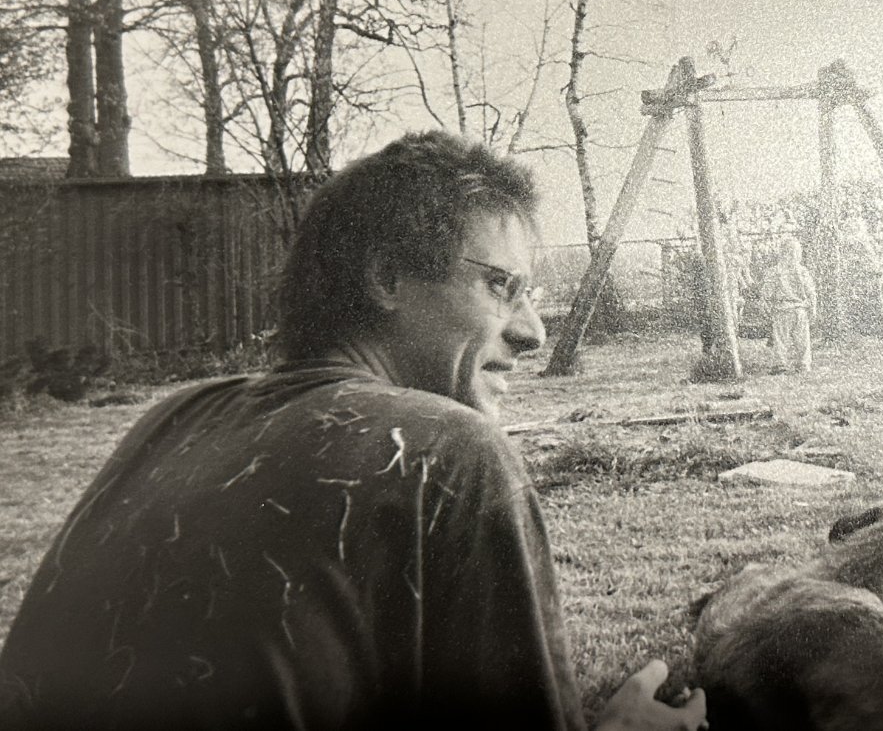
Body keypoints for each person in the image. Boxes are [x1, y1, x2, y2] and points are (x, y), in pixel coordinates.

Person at [0, 131, 706, 731]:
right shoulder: (448, 450)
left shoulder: (176, 419)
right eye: (501, 286)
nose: (532, 331)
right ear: (387, 276)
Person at [760, 236, 818, 373]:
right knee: (802, 339)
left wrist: (765, 305)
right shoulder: (803, 271)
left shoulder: (775, 272)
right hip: (800, 309)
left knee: (781, 339)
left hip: (783, 310)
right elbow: (811, 292)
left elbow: (767, 292)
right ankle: (803, 364)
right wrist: (813, 308)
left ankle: (781, 363)